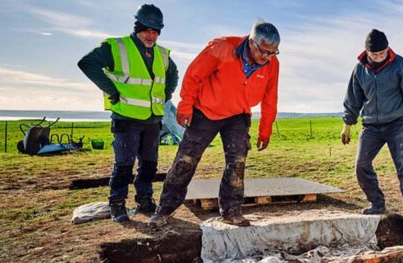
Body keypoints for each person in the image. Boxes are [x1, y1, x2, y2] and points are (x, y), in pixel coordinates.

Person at [148, 20, 280, 227]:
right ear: (251, 42)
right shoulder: (222, 47)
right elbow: (194, 75)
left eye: (273, 53)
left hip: (238, 114)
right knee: (186, 160)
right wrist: (185, 106)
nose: (267, 57)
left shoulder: (272, 64)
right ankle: (164, 210)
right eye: (264, 52)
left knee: (237, 163)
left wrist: (266, 129)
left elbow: (270, 97)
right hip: (205, 111)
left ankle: (231, 211)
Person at [78, 4, 178, 223]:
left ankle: (144, 200)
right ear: (137, 28)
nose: (151, 35)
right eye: (147, 30)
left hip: (152, 118)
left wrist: (166, 93)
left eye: (155, 31)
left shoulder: (162, 53)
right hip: (126, 117)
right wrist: (111, 89)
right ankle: (117, 204)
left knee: (149, 163)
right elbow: (87, 63)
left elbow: (173, 74)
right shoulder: (118, 47)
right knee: (124, 164)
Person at [341, 29, 403, 235]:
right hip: (370, 126)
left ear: (388, 49)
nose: (379, 57)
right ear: (367, 52)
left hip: (397, 124)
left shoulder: (401, 65)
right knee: (361, 165)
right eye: (375, 54)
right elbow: (353, 98)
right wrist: (348, 123)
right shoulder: (359, 70)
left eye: (382, 53)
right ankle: (377, 203)